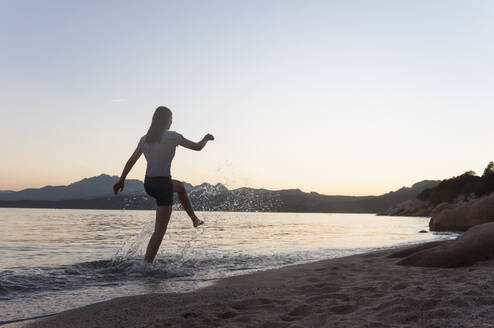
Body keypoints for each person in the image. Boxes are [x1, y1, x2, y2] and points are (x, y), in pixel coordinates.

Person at [113, 106, 214, 263]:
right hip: (163, 184)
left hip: (149, 184)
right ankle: (146, 265)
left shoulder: (145, 139)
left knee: (180, 187)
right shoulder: (172, 136)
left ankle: (194, 219)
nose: (172, 121)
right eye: (171, 117)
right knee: (159, 232)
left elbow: (131, 160)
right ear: (166, 119)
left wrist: (121, 180)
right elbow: (197, 147)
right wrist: (206, 138)